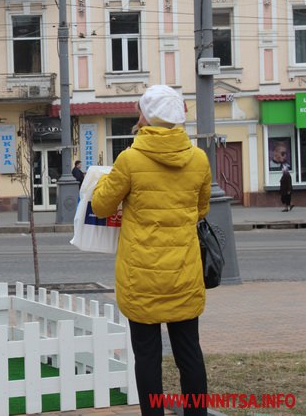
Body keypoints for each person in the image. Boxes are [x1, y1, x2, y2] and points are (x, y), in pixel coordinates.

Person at [91, 85, 212, 416]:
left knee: (147, 356)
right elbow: (201, 209)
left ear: (148, 117)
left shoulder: (130, 159)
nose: (138, 115)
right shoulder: (198, 159)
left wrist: (103, 183)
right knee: (190, 353)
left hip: (141, 277)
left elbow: (101, 206)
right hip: (184, 274)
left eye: (141, 110)